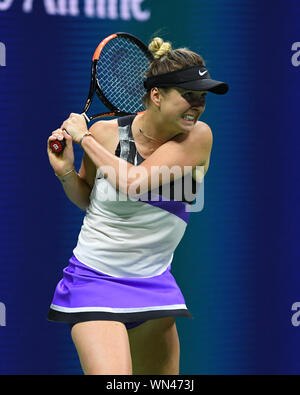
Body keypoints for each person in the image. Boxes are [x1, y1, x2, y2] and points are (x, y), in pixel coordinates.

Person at [47, 37, 228, 375]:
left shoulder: (198, 137)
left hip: (153, 283)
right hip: (95, 279)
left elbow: (133, 182)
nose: (197, 105)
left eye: (201, 97)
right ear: (156, 96)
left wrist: (82, 137)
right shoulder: (104, 134)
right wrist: (66, 174)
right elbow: (88, 198)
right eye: (188, 95)